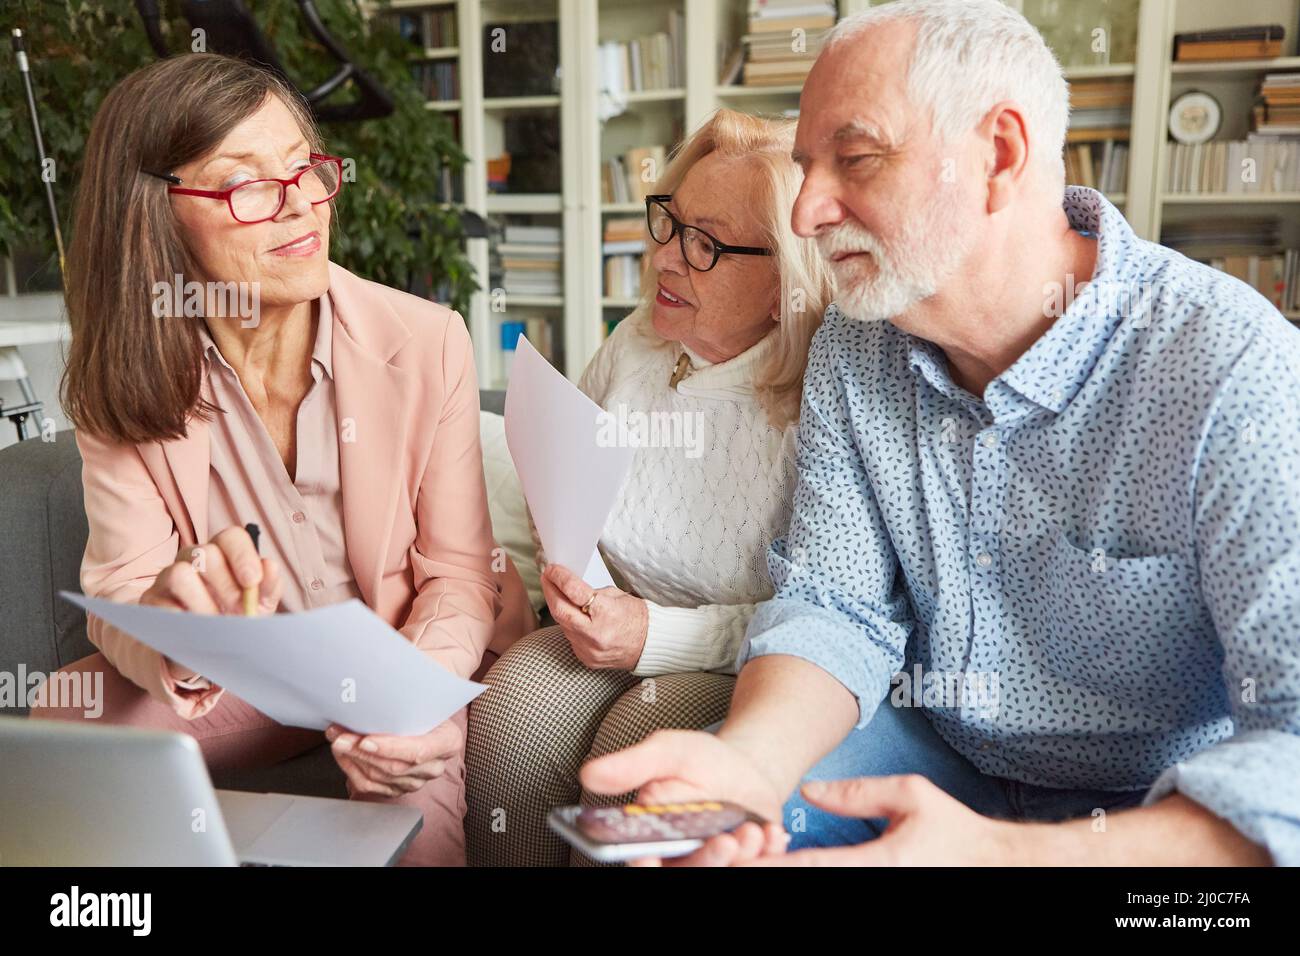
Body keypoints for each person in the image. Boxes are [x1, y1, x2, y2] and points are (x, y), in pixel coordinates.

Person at [580, 0, 1298, 866]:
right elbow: (832, 608)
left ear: (998, 156)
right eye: (808, 166)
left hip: (1156, 808)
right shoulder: (857, 340)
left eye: (856, 158)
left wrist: (1002, 855)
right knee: (714, 837)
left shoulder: (1232, 369)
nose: (804, 212)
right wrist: (750, 761)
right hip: (939, 751)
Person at [30, 52, 536, 867]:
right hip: (251, 677)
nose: (301, 208)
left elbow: (457, 573)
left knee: (411, 816)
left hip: (400, 649)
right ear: (155, 214)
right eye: (248, 186)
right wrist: (179, 636)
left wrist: (409, 693)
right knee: (63, 719)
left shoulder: (427, 339)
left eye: (306, 170)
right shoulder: (122, 374)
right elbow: (120, 592)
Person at [464, 110, 835, 865]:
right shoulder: (638, 340)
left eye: (707, 245)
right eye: (669, 223)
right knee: (509, 719)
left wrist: (652, 637)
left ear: (784, 286)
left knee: (635, 761)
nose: (666, 259)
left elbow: (825, 617)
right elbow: (567, 477)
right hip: (602, 627)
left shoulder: (819, 402)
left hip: (731, 657)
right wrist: (565, 572)